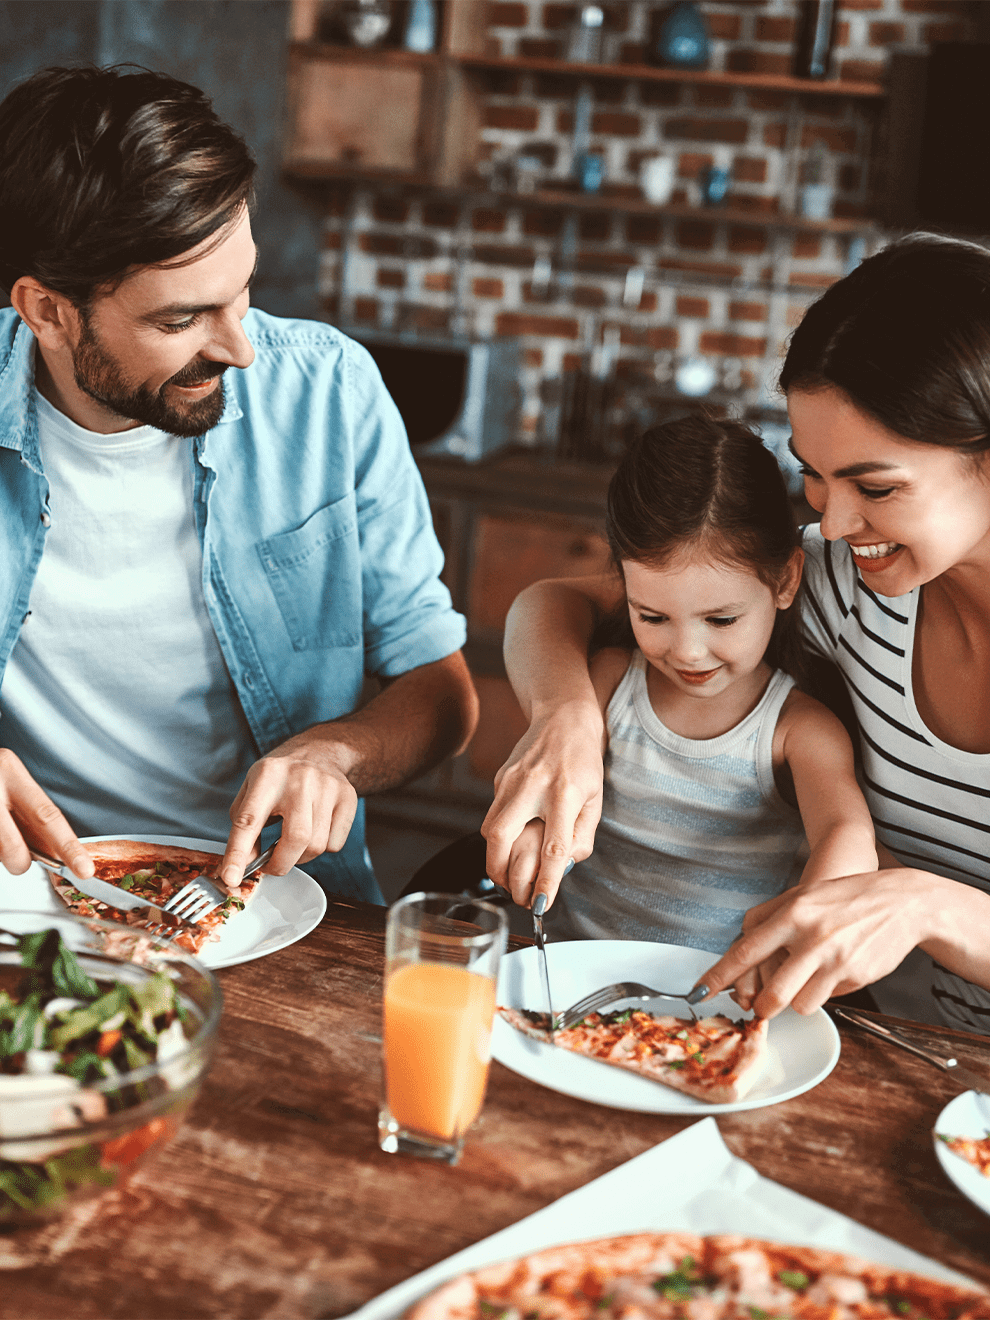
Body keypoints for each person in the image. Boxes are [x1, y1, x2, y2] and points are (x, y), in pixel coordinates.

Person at [483, 231, 990, 1034]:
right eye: (814, 477)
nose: (832, 520)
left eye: (877, 486)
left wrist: (931, 907)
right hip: (900, 1048)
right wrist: (565, 718)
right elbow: (553, 605)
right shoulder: (843, 579)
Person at [0, 65, 477, 903]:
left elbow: (441, 692)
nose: (239, 349)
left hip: (279, 904)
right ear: (47, 312)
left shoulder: (331, 393)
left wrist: (334, 755)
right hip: (31, 902)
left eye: (243, 293)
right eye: (180, 320)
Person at [501, 416, 877, 953]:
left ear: (786, 581)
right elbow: (556, 784)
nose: (686, 651)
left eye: (721, 620)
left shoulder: (798, 730)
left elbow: (846, 834)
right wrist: (539, 828)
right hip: (569, 969)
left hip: (713, 999)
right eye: (651, 617)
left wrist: (808, 919)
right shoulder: (611, 680)